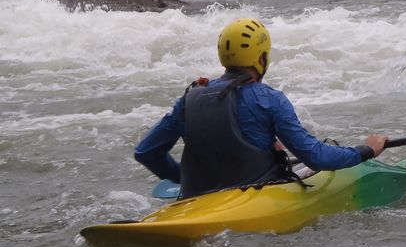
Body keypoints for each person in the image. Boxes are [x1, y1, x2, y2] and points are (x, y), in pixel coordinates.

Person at [134, 17, 388, 198]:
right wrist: (365, 151)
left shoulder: (190, 98)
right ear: (262, 58)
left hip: (194, 196)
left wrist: (184, 179)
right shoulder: (270, 99)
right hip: (253, 196)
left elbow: (147, 152)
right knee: (317, 160)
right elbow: (316, 157)